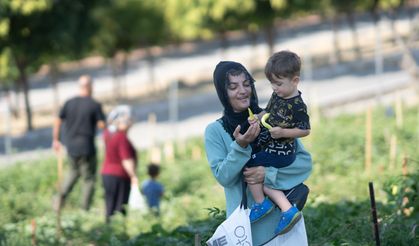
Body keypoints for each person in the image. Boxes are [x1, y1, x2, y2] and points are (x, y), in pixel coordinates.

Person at [204, 61, 312, 245]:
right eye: (233, 87)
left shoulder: (273, 117)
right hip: (247, 234)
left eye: (247, 84)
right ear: (223, 93)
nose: (243, 91)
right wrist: (241, 146)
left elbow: (303, 163)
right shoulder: (215, 131)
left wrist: (267, 174)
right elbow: (224, 178)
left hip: (286, 227)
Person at [246, 50, 311, 235]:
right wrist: (257, 118)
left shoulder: (298, 105)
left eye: (279, 83)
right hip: (273, 147)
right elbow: (268, 112)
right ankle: (287, 210)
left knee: (250, 164)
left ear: (295, 80)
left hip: (283, 151)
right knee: (265, 181)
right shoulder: (278, 96)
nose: (275, 88)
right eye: (272, 83)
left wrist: (284, 132)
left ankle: (261, 204)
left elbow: (305, 130)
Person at [52, 75, 105, 211]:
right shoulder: (94, 104)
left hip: (72, 147)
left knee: (73, 173)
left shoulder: (69, 103)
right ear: (90, 87)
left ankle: (59, 200)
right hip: (87, 146)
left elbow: (58, 121)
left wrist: (56, 140)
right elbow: (101, 125)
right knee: (89, 179)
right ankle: (84, 209)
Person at [101, 105, 138, 223]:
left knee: (110, 206)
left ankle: (108, 231)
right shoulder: (121, 138)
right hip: (119, 175)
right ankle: (118, 234)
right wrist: (133, 176)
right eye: (129, 121)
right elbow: (126, 159)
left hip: (106, 174)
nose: (131, 123)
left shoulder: (108, 134)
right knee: (120, 208)